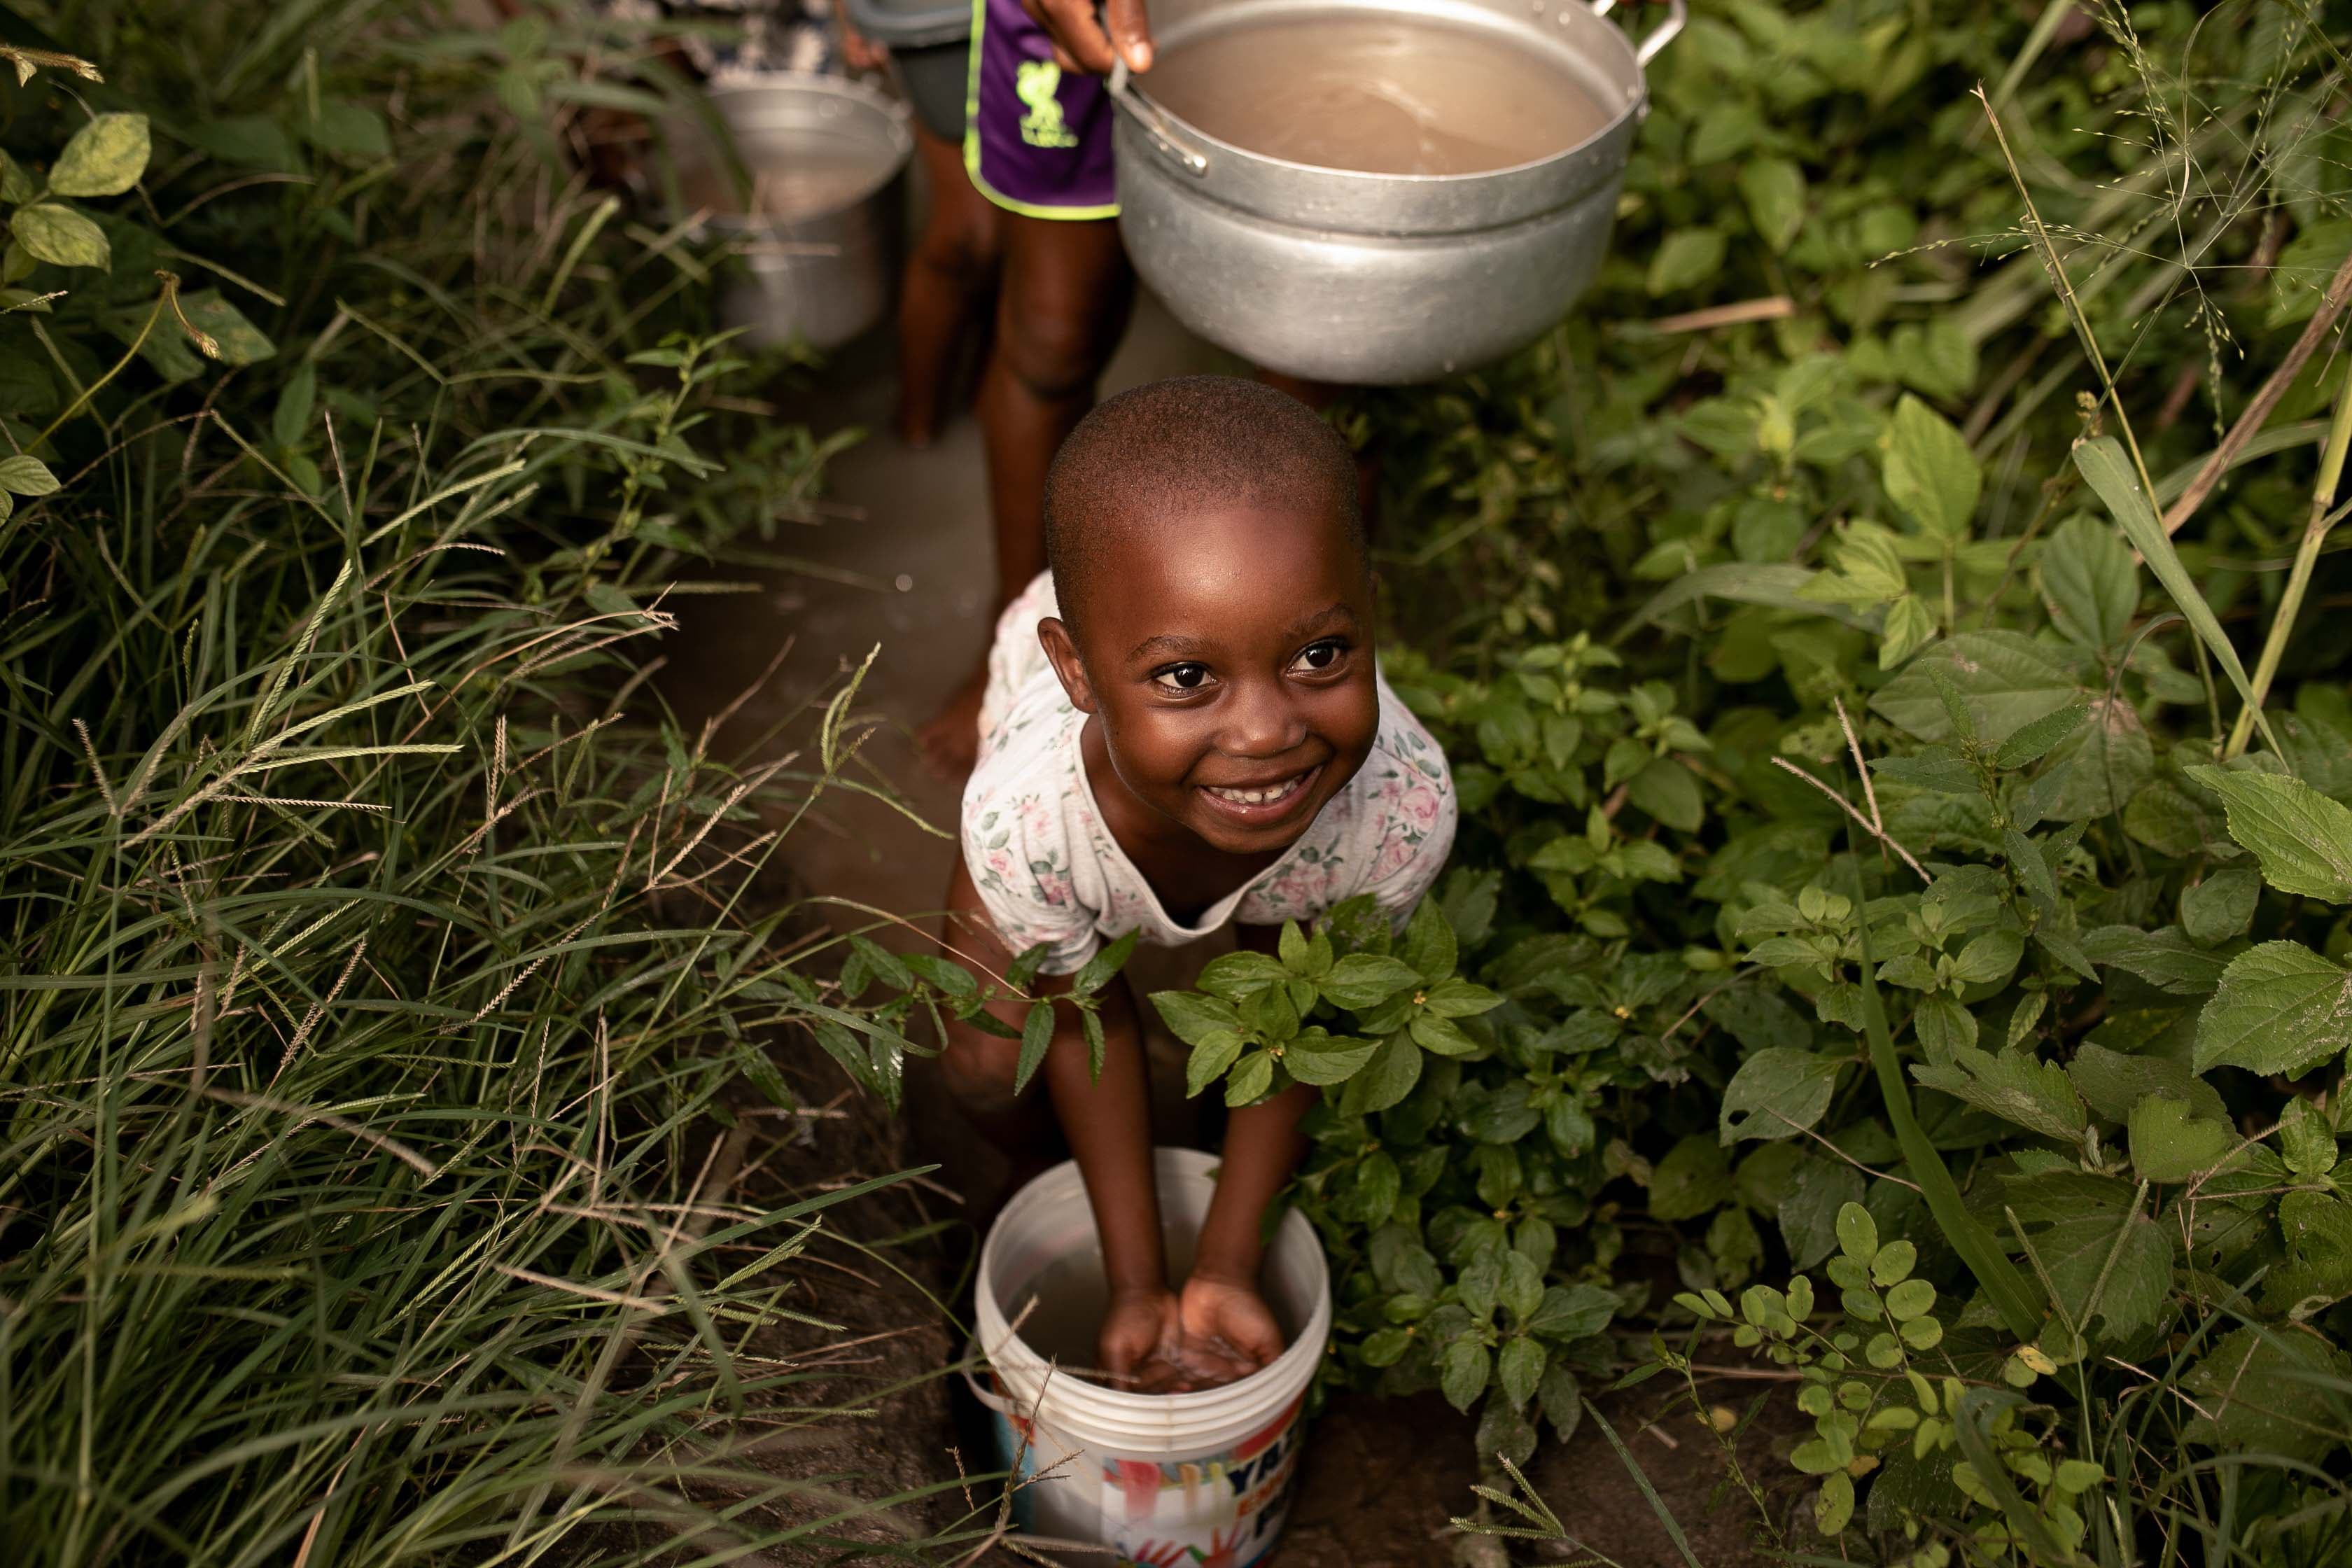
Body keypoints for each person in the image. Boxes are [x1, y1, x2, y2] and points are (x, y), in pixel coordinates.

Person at [937, 377, 1456, 1391]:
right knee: (984, 1055)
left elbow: (1295, 1023)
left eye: (1321, 653)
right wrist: (1131, 1280)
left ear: (1369, 615)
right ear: (1078, 673)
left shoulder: (1396, 809)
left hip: (1305, 859)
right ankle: (1045, 1178)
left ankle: (1191, 1209)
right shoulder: (1026, 822)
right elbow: (1095, 1022)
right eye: (1188, 677)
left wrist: (1222, 1268)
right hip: (1063, 799)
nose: (1267, 732)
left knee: (1284, 948)